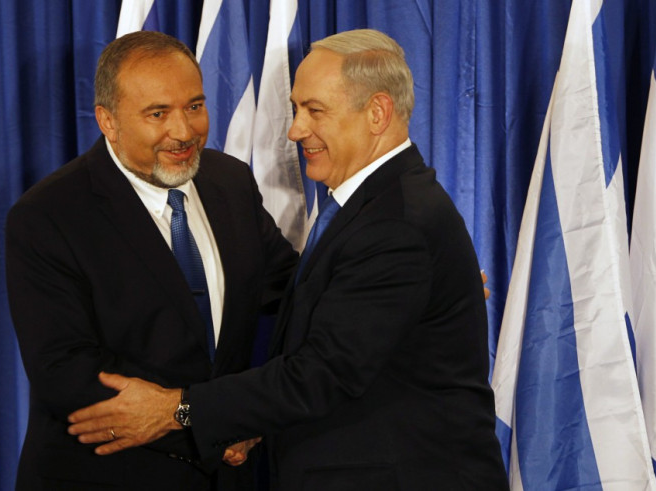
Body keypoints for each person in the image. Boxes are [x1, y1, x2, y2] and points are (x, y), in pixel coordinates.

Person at [68, 29, 508, 490]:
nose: (295, 130)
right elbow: (299, 304)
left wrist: (178, 409)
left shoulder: (396, 225)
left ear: (377, 112)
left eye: (314, 110)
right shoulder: (373, 209)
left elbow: (318, 375)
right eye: (296, 109)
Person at [5, 31, 297, 490]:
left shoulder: (230, 182)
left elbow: (288, 295)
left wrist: (255, 411)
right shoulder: (48, 216)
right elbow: (65, 371)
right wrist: (211, 425)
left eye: (195, 106)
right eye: (157, 113)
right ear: (108, 121)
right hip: (106, 475)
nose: (183, 131)